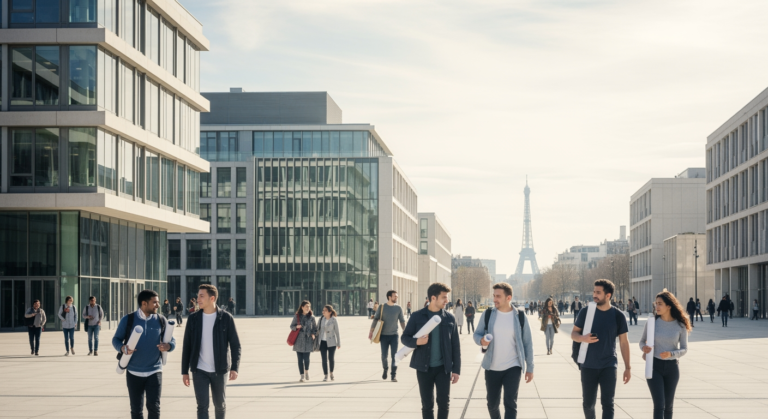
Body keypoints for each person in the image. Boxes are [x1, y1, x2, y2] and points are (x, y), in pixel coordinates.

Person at [571, 279, 631, 419]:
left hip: (609, 365)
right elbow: (574, 334)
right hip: (588, 365)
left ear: (608, 295)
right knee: (588, 404)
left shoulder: (618, 315)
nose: (594, 295)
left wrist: (628, 367)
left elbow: (624, 343)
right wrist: (582, 338)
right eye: (594, 292)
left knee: (608, 403)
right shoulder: (586, 312)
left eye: (598, 292)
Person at [474, 283, 534, 419]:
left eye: (498, 296)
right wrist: (481, 340)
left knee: (510, 404)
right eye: (494, 295)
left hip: (513, 367)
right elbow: (476, 334)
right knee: (492, 404)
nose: (494, 299)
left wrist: (530, 367)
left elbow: (528, 343)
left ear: (508, 298)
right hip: (491, 367)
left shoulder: (520, 317)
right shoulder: (488, 314)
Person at [112, 290, 175, 419]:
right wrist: (122, 348)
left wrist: (168, 346)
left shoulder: (161, 319)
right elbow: (116, 340)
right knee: (136, 410)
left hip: (155, 371)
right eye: (155, 302)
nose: (158, 305)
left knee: (154, 407)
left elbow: (172, 340)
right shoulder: (128, 319)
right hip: (134, 372)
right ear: (144, 303)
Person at [181, 284, 241, 419]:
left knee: (220, 405)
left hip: (220, 370)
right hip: (199, 370)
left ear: (212, 298)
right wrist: (184, 371)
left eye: (201, 296)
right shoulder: (193, 319)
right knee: (202, 406)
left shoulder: (226, 318)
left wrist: (234, 368)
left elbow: (236, 345)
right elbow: (187, 346)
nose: (198, 299)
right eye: (198, 296)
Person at [402, 283, 461, 419]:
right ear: (433, 298)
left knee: (444, 403)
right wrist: (417, 342)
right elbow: (404, 338)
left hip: (443, 368)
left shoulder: (449, 318)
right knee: (427, 405)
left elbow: (455, 346)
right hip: (424, 368)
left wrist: (456, 369)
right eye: (444, 297)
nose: (447, 300)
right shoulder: (417, 316)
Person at [640, 290, 690, 419]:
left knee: (668, 406)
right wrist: (644, 348)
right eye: (656, 303)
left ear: (669, 306)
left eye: (660, 304)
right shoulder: (651, 322)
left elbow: (684, 349)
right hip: (654, 367)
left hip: (672, 368)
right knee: (659, 405)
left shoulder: (680, 325)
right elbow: (641, 342)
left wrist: (671, 354)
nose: (656, 306)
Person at [369, 290, 406, 382]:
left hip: (394, 335)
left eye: (397, 296)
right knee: (384, 356)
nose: (396, 297)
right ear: (389, 297)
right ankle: (385, 368)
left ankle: (393, 375)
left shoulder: (398, 308)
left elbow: (402, 320)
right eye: (395, 296)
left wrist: (405, 330)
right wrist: (371, 330)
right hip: (383, 335)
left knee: (395, 356)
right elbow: (376, 319)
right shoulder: (382, 307)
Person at [290, 300, 317, 382]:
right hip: (298, 340)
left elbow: (315, 329)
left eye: (309, 307)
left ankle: (306, 372)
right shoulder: (297, 316)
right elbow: (291, 326)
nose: (308, 308)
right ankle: (302, 375)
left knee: (306, 358)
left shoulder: (312, 317)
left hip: (308, 339)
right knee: (299, 359)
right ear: (302, 307)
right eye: (306, 307)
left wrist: (313, 334)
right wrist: (296, 327)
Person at [316, 305, 341, 381]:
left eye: (325, 310)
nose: (323, 312)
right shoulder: (321, 319)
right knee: (324, 359)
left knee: (331, 358)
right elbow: (317, 329)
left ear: (330, 312)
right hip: (322, 342)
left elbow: (337, 332)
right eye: (323, 310)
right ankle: (325, 375)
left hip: (331, 342)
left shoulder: (334, 320)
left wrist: (338, 343)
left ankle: (331, 373)